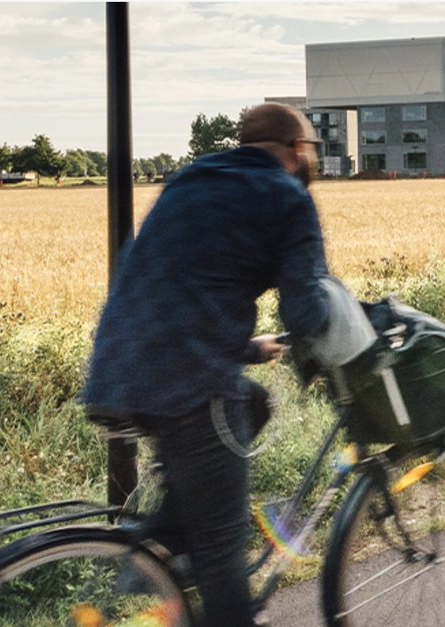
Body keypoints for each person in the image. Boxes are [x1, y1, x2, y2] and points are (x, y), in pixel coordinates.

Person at [83, 103, 333, 627]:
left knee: (254, 401)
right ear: (294, 149)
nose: (310, 159)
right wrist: (332, 360)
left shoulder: (191, 178)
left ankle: (164, 551)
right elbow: (307, 307)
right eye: (310, 148)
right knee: (224, 556)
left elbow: (176, 291)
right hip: (189, 386)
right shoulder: (286, 195)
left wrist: (246, 348)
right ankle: (184, 560)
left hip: (115, 369)